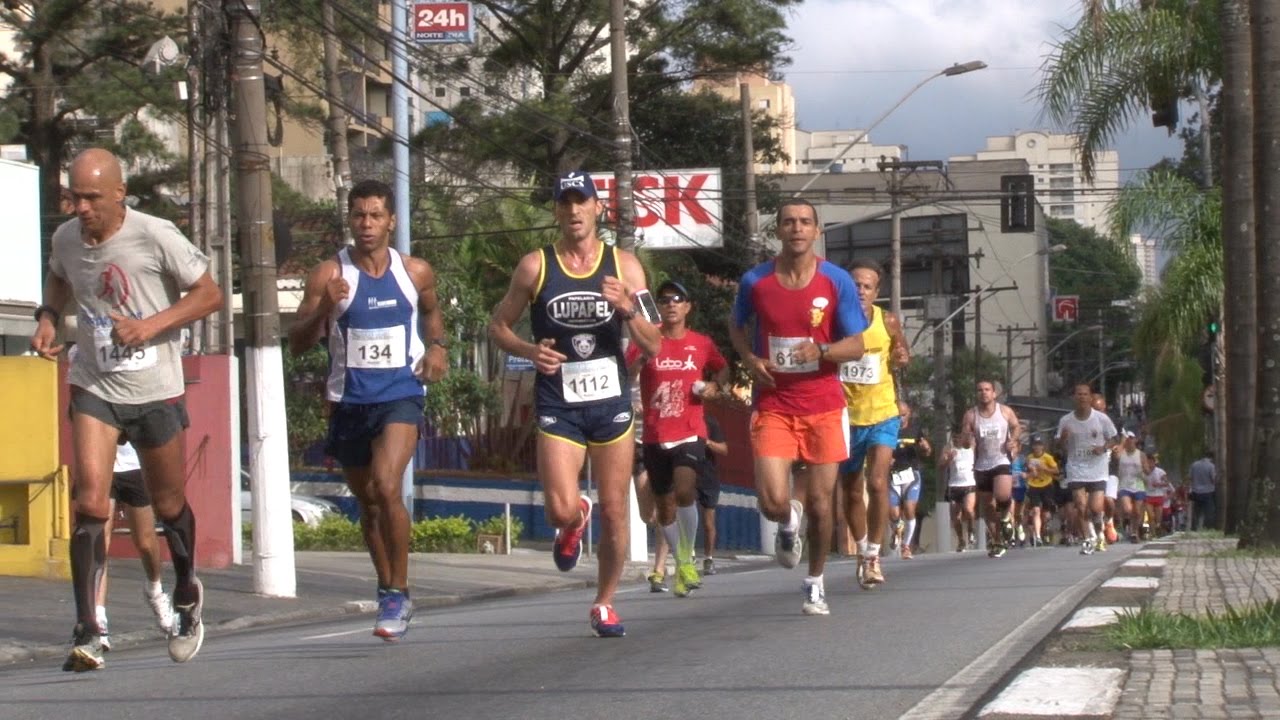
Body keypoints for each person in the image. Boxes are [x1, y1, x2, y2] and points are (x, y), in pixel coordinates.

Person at [32, 148, 223, 671]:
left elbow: (210, 295)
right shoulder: (65, 238)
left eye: (93, 197)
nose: (81, 207)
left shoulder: (153, 233)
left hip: (154, 389)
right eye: (74, 196)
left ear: (119, 193)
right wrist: (50, 316)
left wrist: (152, 324)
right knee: (91, 502)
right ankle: (89, 627)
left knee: (167, 505)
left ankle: (186, 591)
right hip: (94, 383)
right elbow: (60, 278)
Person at [489, 170, 661, 637]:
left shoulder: (625, 266)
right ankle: (572, 521)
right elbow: (498, 326)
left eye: (580, 202)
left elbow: (655, 342)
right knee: (560, 509)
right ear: (556, 212)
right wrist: (529, 351)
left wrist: (627, 308)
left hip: (611, 404)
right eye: (564, 203)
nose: (573, 211)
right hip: (558, 402)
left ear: (597, 208)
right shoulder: (535, 266)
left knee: (615, 508)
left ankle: (605, 602)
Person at [288, 179, 448, 641]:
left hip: (400, 393)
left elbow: (433, 314)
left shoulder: (414, 271)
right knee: (369, 503)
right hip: (349, 400)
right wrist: (324, 307)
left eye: (376, 215)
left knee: (386, 483)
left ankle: (399, 590)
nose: (366, 224)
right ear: (350, 221)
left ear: (391, 221)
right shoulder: (327, 275)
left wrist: (436, 347)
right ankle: (387, 587)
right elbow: (298, 344)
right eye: (359, 215)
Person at [729, 198, 866, 616]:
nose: (797, 229)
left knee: (824, 505)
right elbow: (736, 327)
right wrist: (750, 360)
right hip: (774, 404)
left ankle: (815, 582)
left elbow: (856, 345)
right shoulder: (756, 281)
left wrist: (822, 349)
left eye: (805, 222)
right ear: (779, 231)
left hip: (824, 406)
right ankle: (789, 521)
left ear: (817, 232)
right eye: (789, 222)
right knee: (771, 500)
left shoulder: (836, 281)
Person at [625, 279, 729, 597]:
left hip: (689, 430)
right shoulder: (645, 338)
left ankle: (688, 558)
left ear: (687, 307)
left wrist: (715, 387)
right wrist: (643, 358)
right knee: (664, 508)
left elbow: (722, 370)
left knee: (685, 491)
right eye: (665, 299)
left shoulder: (701, 343)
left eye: (677, 299)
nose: (671, 304)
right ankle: (682, 561)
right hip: (656, 434)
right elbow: (627, 373)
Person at [837, 258, 909, 588]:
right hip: (846, 416)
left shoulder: (888, 321)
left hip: (883, 412)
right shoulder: (833, 321)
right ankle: (862, 549)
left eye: (867, 286)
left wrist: (901, 357)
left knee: (878, 482)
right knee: (852, 491)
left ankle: (874, 554)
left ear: (876, 291)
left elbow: (902, 352)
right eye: (855, 284)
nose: (861, 290)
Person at [94, 437, 176, 651]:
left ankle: (155, 590)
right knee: (99, 544)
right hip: (101, 466)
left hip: (134, 467)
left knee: (146, 542)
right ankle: (98, 620)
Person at [960, 380, 1021, 558]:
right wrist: (967, 440)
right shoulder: (971, 415)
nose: (983, 393)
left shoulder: (1004, 411)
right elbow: (965, 439)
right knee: (987, 505)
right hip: (981, 464)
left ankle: (1005, 517)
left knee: (1002, 496)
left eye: (987, 390)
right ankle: (997, 541)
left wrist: (1014, 440)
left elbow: (1016, 426)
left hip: (1001, 459)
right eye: (979, 390)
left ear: (994, 393)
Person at [1057, 383, 1119, 554]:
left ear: (1090, 398)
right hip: (1076, 467)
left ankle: (1100, 534)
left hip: (1097, 469)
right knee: (1080, 504)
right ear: (1074, 398)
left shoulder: (1101, 419)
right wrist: (1062, 439)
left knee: (1096, 508)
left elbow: (1114, 438)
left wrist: (1104, 448)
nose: (1082, 397)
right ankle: (1088, 538)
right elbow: (1059, 446)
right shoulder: (1066, 420)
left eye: (1085, 394)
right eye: (1079, 394)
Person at [887, 402, 930, 559]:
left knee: (910, 509)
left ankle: (906, 546)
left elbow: (927, 451)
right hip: (893, 475)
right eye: (897, 416)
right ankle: (896, 529)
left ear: (909, 413)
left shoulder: (915, 429)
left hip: (911, 473)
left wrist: (925, 447)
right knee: (893, 513)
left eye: (903, 415)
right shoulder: (888, 430)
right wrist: (887, 459)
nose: (900, 419)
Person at [699, 409, 729, 576]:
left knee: (708, 522)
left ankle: (708, 559)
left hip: (708, 476)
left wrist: (707, 442)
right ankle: (688, 556)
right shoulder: (680, 420)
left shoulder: (710, 422)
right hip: (687, 472)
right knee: (685, 516)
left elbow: (724, 449)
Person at [940, 428, 977, 551]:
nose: (957, 439)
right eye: (954, 437)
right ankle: (961, 541)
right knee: (955, 517)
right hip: (954, 485)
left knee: (968, 509)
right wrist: (949, 458)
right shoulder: (949, 449)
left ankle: (971, 531)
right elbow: (941, 466)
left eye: (959, 437)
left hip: (969, 484)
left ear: (964, 438)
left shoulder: (971, 447)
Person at [1022, 434, 1060, 548]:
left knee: (1046, 513)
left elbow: (1056, 470)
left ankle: (1046, 529)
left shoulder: (1048, 457)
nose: (1037, 447)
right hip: (1034, 485)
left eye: (1039, 445)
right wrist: (1028, 474)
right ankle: (1037, 536)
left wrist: (1045, 468)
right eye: (1035, 445)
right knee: (1036, 510)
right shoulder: (1029, 457)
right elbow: (1028, 471)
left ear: (1042, 447)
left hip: (1046, 485)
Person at [1113, 430, 1149, 542]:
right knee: (1128, 509)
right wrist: (1123, 441)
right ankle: (1129, 528)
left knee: (1137, 511)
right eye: (1127, 438)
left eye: (1131, 438)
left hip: (1138, 485)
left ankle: (1134, 532)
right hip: (1124, 485)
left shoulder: (1141, 454)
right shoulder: (1121, 452)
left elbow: (1147, 470)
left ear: (1135, 440)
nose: (1129, 440)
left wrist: (1144, 469)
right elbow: (1116, 455)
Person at [1187, 451, 1217, 530]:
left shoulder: (1194, 465)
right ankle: (1208, 528)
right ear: (1211, 458)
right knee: (1209, 512)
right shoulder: (1211, 466)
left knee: (1196, 511)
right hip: (1208, 492)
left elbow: (1190, 478)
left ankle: (1194, 528)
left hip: (1196, 492)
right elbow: (1213, 479)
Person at [1145, 452, 1171, 536]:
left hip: (1158, 496)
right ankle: (1152, 533)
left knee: (1158, 518)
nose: (1149, 464)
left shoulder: (1160, 472)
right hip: (1148, 496)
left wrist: (1159, 484)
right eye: (1147, 462)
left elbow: (1167, 483)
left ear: (1154, 462)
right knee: (1151, 516)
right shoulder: (1144, 472)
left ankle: (1158, 528)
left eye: (1151, 462)